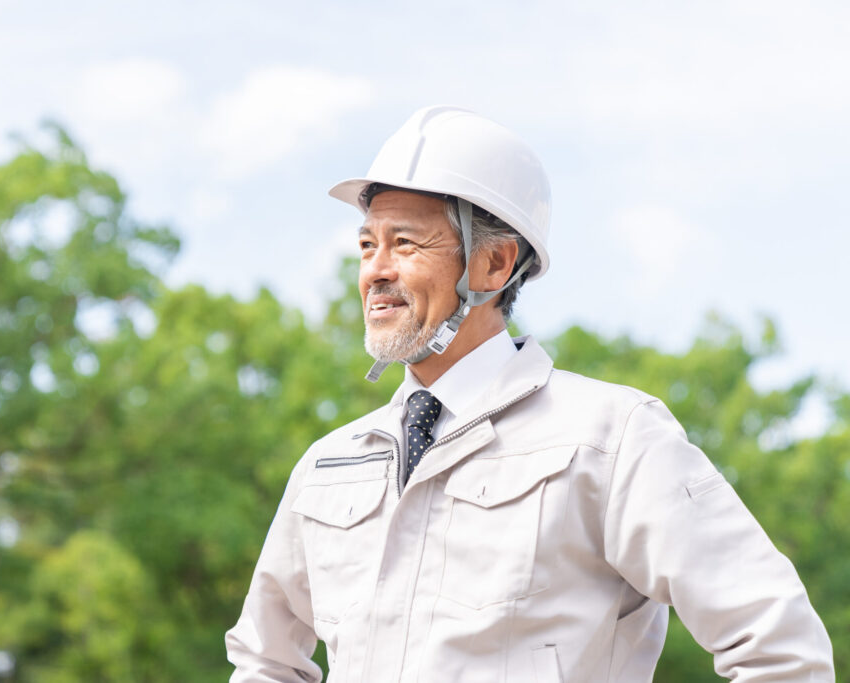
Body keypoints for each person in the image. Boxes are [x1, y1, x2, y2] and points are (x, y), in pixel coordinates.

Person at [225, 106, 834, 682]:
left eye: (405, 244)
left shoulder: (612, 439)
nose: (375, 270)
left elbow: (782, 652)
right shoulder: (330, 466)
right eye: (367, 244)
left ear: (493, 265)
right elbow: (264, 662)